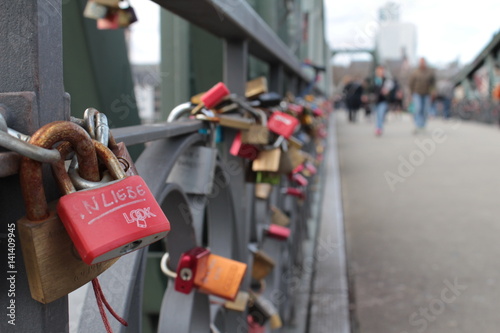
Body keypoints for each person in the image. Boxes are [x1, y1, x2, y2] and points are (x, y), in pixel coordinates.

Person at [409, 57, 436, 132]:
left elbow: (433, 83)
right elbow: (411, 84)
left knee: (425, 110)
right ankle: (417, 124)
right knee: (418, 108)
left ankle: (423, 124)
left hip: (427, 93)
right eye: (421, 62)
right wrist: (411, 93)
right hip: (417, 93)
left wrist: (433, 91)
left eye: (423, 62)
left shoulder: (429, 72)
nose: (422, 64)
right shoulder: (415, 72)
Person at [373, 65, 392, 136]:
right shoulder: (373, 80)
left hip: (383, 100)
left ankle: (379, 128)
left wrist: (387, 91)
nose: (381, 72)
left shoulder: (386, 80)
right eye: (379, 70)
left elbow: (390, 88)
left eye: (382, 70)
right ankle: (378, 127)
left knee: (381, 114)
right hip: (375, 100)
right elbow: (370, 89)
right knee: (376, 115)